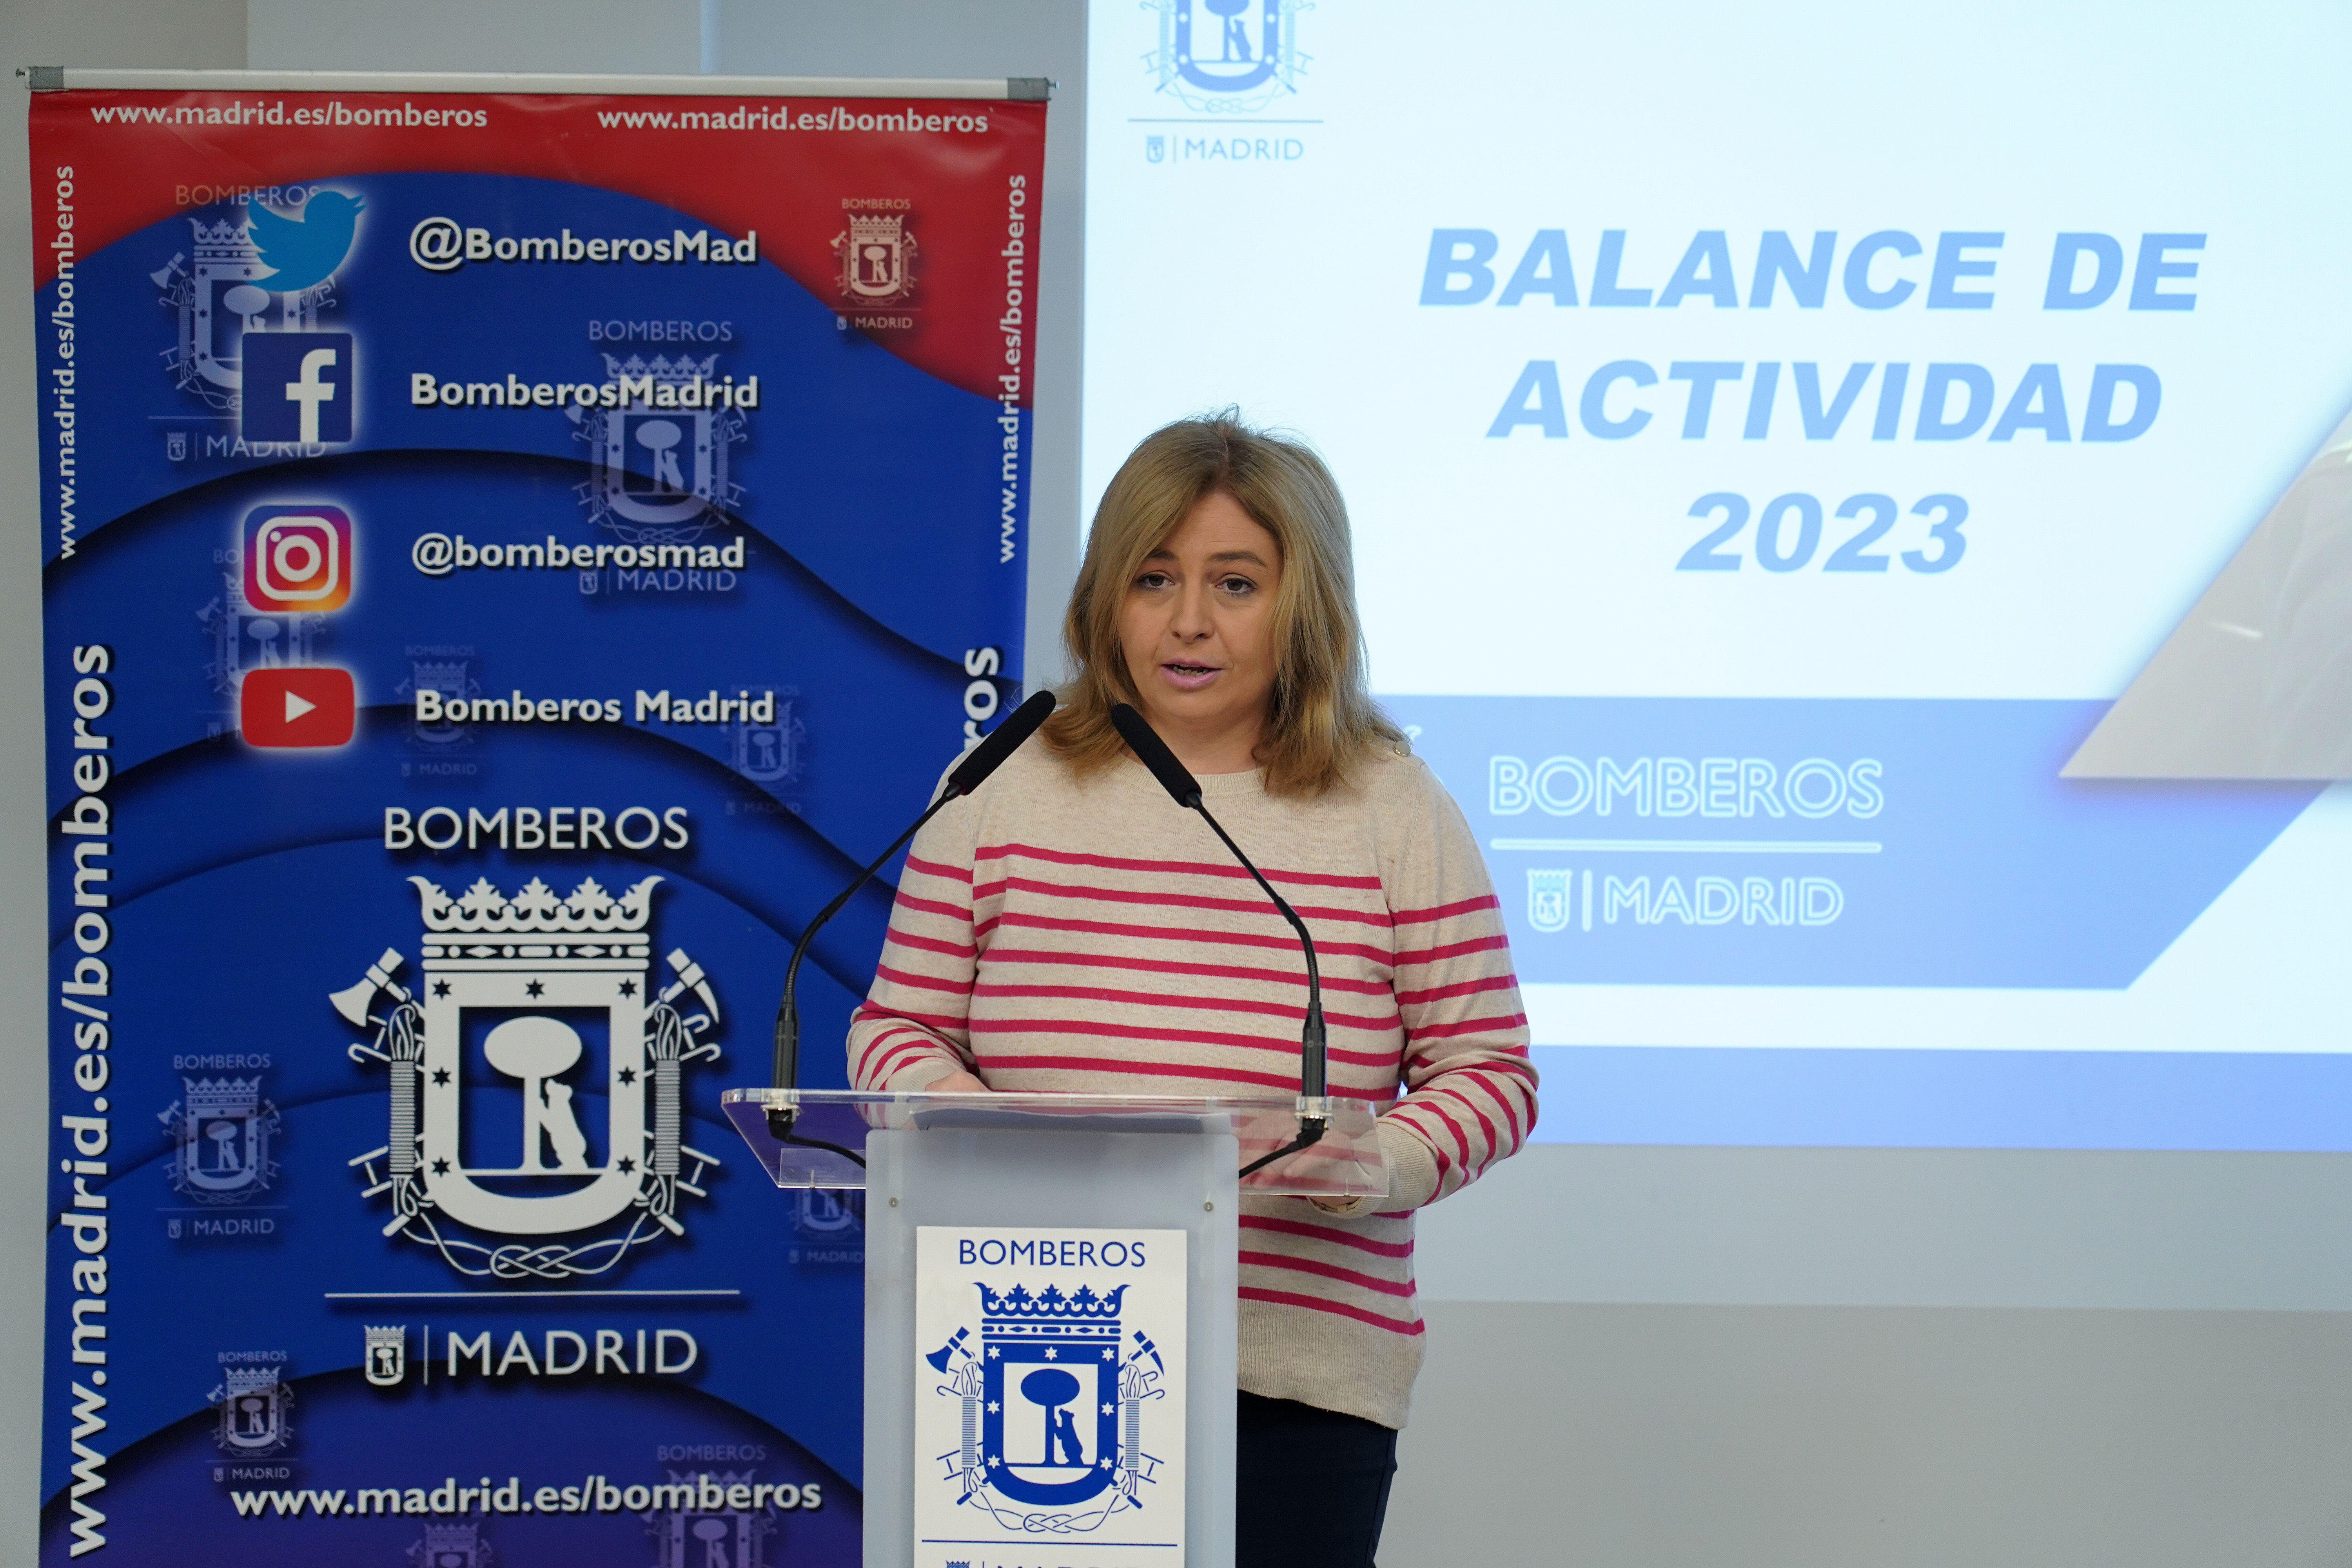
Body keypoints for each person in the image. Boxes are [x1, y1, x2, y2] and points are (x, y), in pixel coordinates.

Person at [847, 413, 1536, 1568]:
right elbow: (895, 1029)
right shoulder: (998, 785)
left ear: (1305, 605)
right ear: (1106, 596)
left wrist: (1378, 1161)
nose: (1189, 621)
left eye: (1236, 583)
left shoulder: (1392, 806)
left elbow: (1491, 1072)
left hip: (1294, 1373)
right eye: (1154, 577)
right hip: (1018, 1336)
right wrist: (982, 1126)